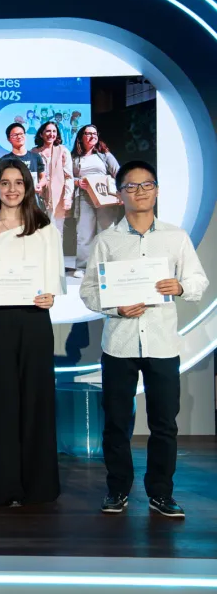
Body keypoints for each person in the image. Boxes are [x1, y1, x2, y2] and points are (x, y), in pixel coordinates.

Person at [78, 160, 208, 518]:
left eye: (146, 185)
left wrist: (180, 286)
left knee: (164, 423)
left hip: (162, 343)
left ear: (156, 191)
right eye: (131, 187)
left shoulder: (175, 237)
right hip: (119, 343)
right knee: (117, 422)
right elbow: (89, 292)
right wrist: (116, 307)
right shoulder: (107, 241)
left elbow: (199, 282)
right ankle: (117, 489)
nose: (139, 192)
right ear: (119, 195)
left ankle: (161, 493)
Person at [0, 158, 65, 507]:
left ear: (27, 186)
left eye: (18, 182)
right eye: (5, 183)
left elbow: (53, 276)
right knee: (0, 401)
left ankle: (37, 486)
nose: (12, 189)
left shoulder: (43, 225)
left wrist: (50, 294)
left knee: (36, 399)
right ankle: (0, 486)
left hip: (35, 318)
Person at [72, 124, 121, 278]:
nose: (92, 136)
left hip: (104, 197)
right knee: (84, 233)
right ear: (81, 137)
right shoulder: (74, 158)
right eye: (88, 133)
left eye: (95, 133)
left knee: (106, 231)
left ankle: (107, 265)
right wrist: (77, 182)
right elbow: (67, 177)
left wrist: (120, 194)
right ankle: (82, 267)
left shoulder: (105, 155)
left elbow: (119, 173)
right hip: (84, 198)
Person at [32, 120, 75, 235]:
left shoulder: (63, 150)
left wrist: (67, 197)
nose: (51, 134)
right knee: (38, 231)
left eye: (54, 131)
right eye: (48, 131)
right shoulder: (34, 152)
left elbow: (69, 176)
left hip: (58, 197)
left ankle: (56, 253)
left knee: (56, 232)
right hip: (38, 196)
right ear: (41, 134)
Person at [0, 123, 48, 203]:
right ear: (9, 139)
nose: (19, 137)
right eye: (15, 135)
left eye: (21, 134)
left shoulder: (35, 157)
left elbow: (43, 177)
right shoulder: (5, 160)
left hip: (32, 200)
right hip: (13, 201)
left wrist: (40, 185)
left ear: (25, 136)